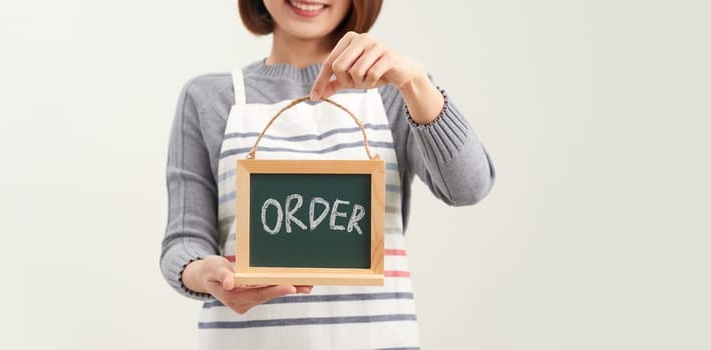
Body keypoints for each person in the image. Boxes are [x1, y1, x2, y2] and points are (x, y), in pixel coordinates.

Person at [160, 0, 495, 348]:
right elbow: (184, 241)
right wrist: (207, 275)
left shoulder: (396, 93)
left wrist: (415, 83)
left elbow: (469, 187)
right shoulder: (209, 97)